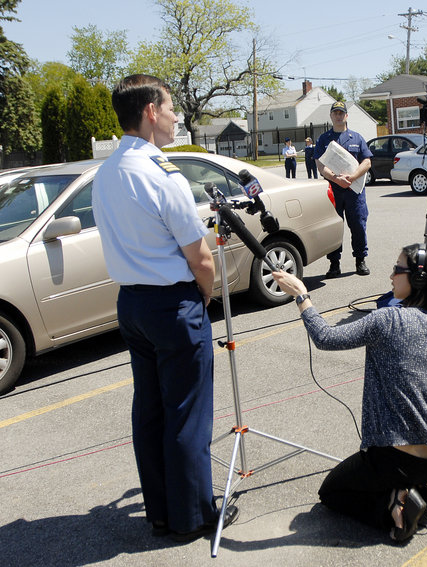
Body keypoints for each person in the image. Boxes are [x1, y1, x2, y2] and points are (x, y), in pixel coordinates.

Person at [92, 74, 237, 542]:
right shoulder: (161, 172)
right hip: (172, 304)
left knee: (150, 410)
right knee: (188, 413)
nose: (176, 116)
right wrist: (206, 295)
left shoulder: (107, 171)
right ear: (151, 112)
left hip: (132, 304)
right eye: (171, 107)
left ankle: (160, 511)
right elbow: (199, 258)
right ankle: (193, 515)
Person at [271, 243, 427, 542]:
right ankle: (414, 487)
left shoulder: (388, 319)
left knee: (331, 494)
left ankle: (395, 508)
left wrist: (301, 295)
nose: (391, 275)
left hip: (392, 458)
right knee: (389, 473)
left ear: (418, 279)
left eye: (398, 269)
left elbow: (326, 337)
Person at [314, 101, 373, 277]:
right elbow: (319, 163)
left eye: (341, 113)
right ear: (331, 116)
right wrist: (334, 178)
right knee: (334, 227)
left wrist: (353, 177)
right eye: (335, 113)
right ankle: (334, 264)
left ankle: (360, 260)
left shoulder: (357, 138)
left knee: (358, 226)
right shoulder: (324, 139)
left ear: (346, 116)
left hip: (354, 191)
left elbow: (367, 161)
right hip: (334, 190)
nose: (339, 116)